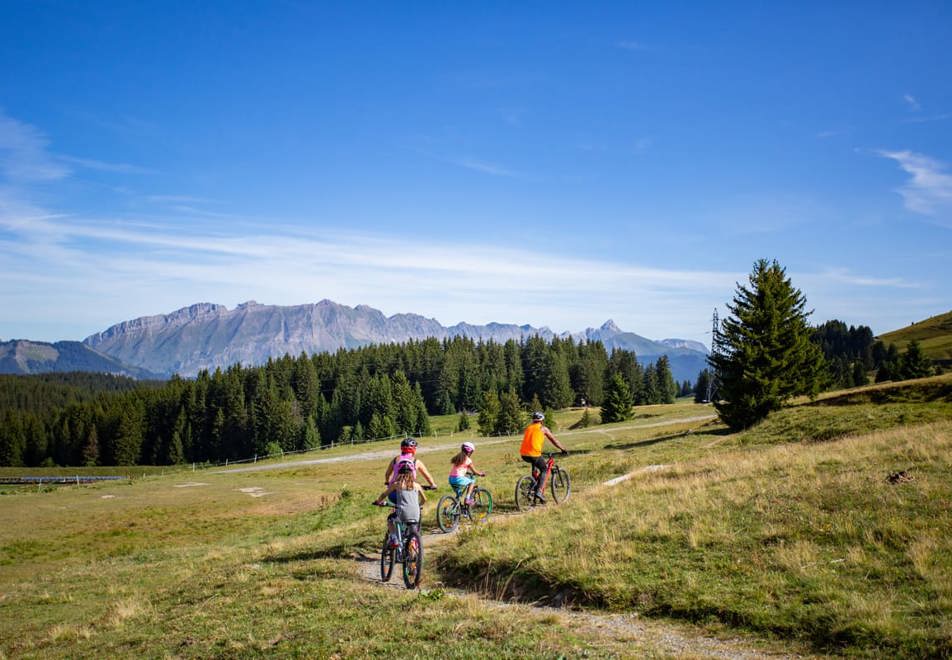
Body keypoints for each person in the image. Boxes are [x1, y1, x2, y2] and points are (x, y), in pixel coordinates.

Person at [519, 411, 567, 503]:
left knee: (536, 466)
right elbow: (554, 440)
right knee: (544, 469)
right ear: (542, 420)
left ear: (533, 420)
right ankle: (539, 491)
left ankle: (533, 487)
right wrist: (563, 449)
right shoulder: (543, 428)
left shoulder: (528, 428)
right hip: (534, 454)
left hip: (524, 454)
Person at [374, 463, 427, 545]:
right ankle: (414, 549)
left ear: (399, 474)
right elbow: (424, 500)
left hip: (402, 513)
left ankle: (394, 538)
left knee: (390, 519)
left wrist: (378, 501)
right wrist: (418, 505)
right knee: (412, 531)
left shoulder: (397, 485)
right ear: (411, 474)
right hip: (416, 514)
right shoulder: (417, 485)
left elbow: (384, 494)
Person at [448, 441, 485, 506]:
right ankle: (467, 499)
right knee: (471, 482)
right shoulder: (468, 460)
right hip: (458, 478)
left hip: (451, 478)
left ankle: (456, 508)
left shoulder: (458, 458)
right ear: (469, 452)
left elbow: (460, 469)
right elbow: (474, 471)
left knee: (459, 496)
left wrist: (466, 472)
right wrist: (480, 474)